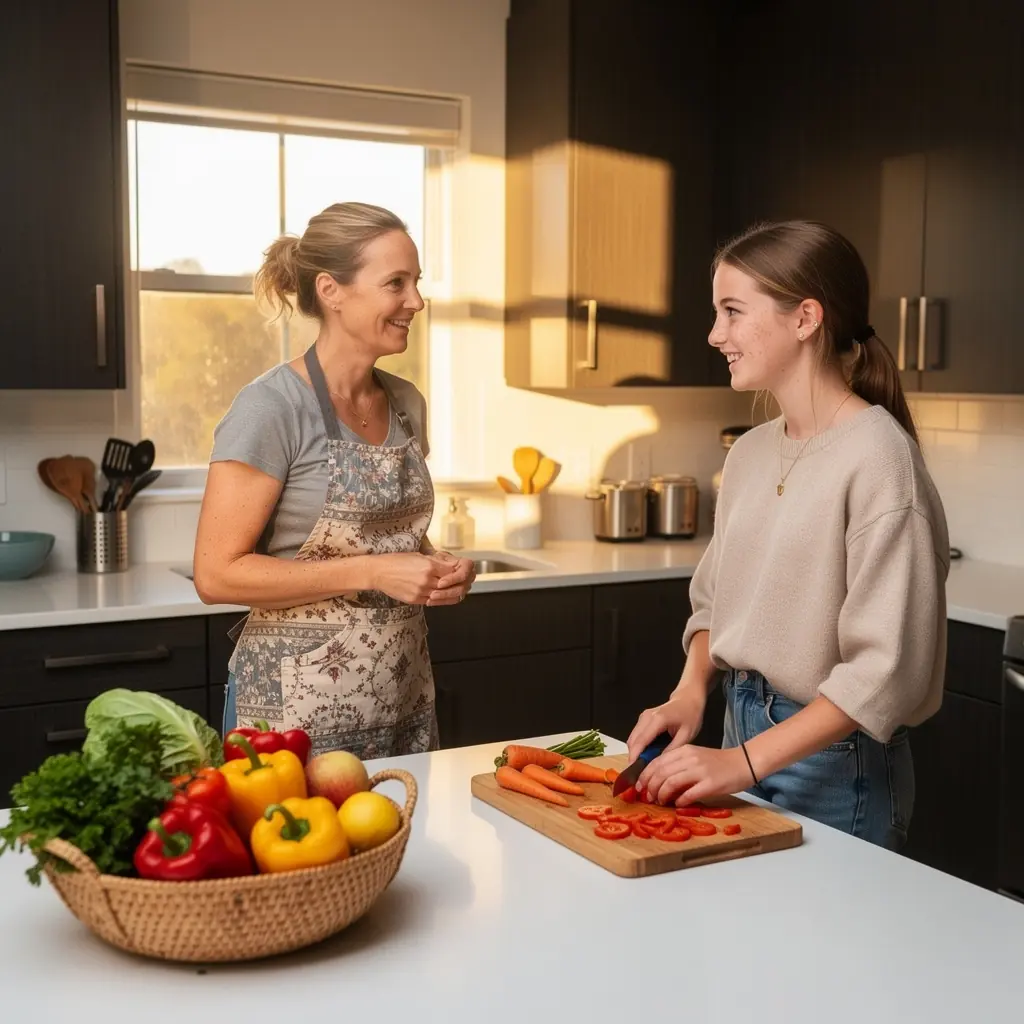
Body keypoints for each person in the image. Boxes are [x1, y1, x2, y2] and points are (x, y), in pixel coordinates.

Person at [626, 219, 949, 850]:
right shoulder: (749, 452)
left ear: (805, 318)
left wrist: (743, 763)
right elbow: (717, 603)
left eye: (732, 311)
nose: (715, 334)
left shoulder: (880, 458)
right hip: (738, 733)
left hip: (838, 768)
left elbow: (883, 672)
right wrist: (688, 693)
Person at [193, 201, 475, 759]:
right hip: (290, 713)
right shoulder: (272, 408)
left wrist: (436, 564)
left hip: (401, 694)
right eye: (396, 283)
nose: (416, 302)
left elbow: (390, 536)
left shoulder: (406, 402)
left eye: (416, 282)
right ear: (331, 290)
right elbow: (216, 575)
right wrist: (374, 571)